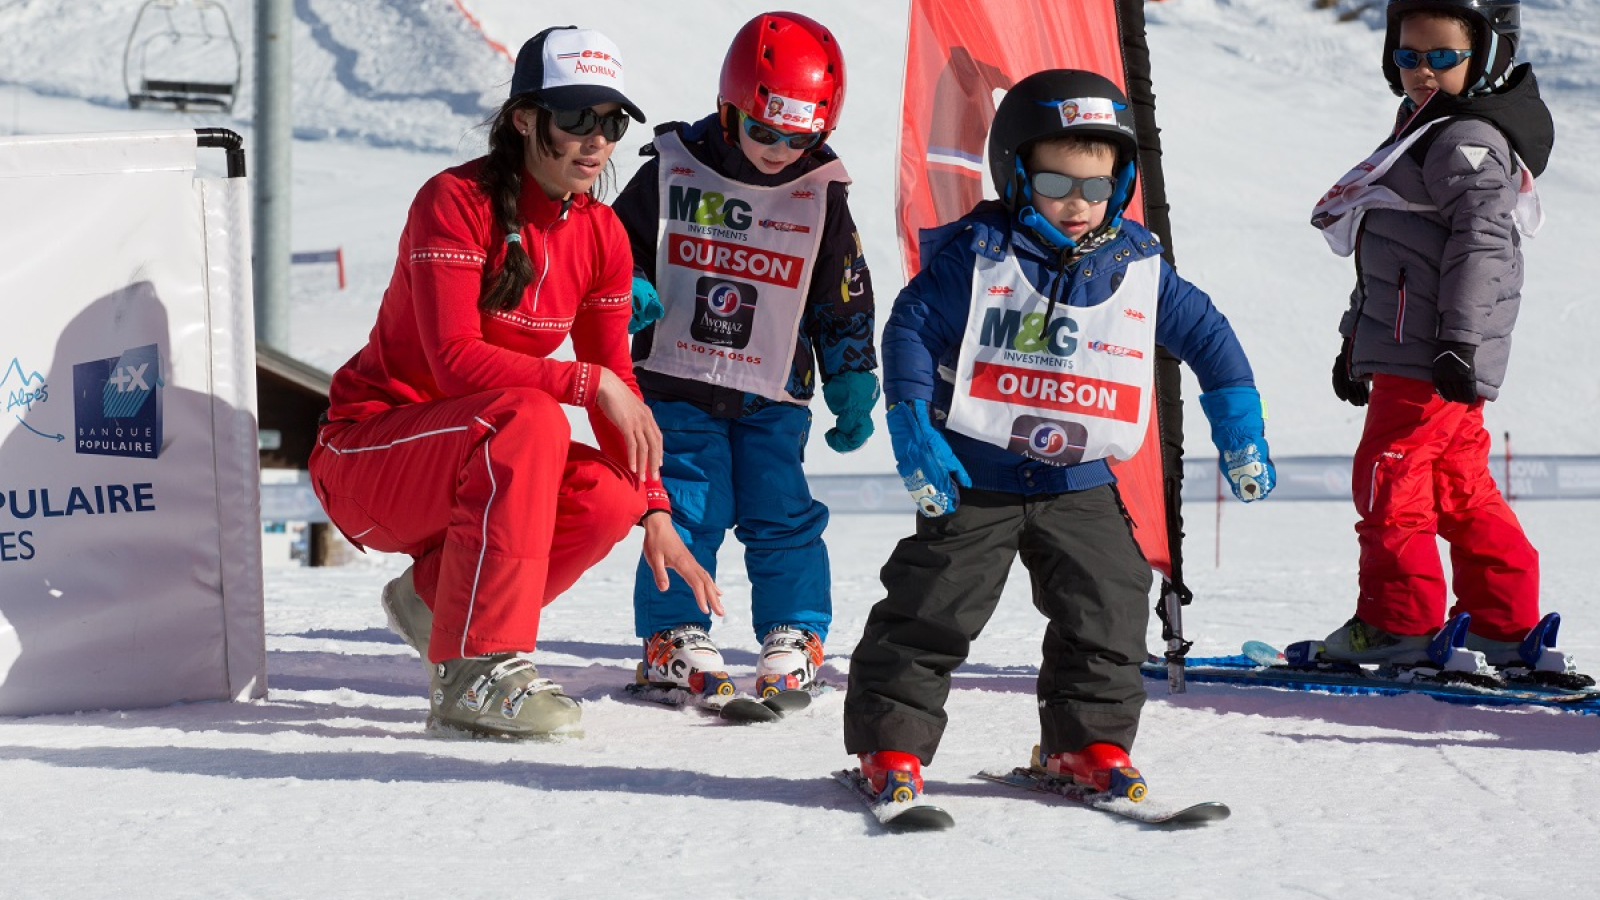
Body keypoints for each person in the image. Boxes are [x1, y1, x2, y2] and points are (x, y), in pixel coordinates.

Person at [841, 69, 1276, 805]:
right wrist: (912, 423)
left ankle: (1085, 743)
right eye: (1056, 182)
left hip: (1079, 480)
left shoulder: (1136, 263)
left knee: (1110, 603)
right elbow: (913, 324)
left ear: (1123, 182)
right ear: (1016, 173)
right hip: (974, 475)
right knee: (932, 606)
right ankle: (891, 746)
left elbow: (1207, 334)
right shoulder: (980, 253)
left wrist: (1238, 422)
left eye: (1098, 187)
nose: (1079, 203)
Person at [309, 26, 721, 740]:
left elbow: (618, 382)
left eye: (612, 122)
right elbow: (452, 362)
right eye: (576, 118)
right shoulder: (454, 200)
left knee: (607, 495)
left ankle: (435, 606)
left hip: (479, 459)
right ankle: (476, 667)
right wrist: (584, 382)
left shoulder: (602, 235)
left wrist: (655, 508)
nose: (595, 141)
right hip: (369, 457)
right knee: (531, 418)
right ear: (524, 118)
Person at [1311, 0, 1583, 680]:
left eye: (1442, 58)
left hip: (1430, 355)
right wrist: (1355, 344)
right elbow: (1395, 249)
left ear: (1485, 59)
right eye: (1408, 57)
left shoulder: (1462, 140)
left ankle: (1396, 623)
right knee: (1459, 488)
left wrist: (1458, 344)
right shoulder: (1428, 129)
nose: (1422, 72)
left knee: (1389, 478)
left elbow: (1483, 247)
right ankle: (1503, 623)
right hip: (1421, 351)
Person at [610, 12, 877, 699]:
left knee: (781, 509)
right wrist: (630, 286)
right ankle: (673, 631)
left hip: (772, 390)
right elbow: (614, 246)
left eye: (799, 137)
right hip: (677, 381)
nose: (777, 150)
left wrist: (850, 374)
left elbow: (841, 292)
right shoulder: (673, 168)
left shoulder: (820, 194)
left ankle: (794, 630)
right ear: (729, 108)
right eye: (763, 131)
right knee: (688, 506)